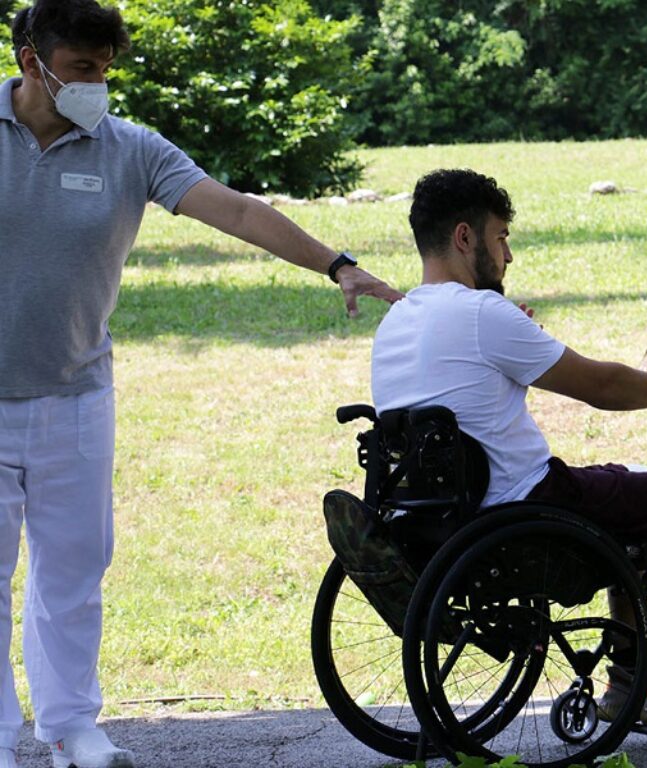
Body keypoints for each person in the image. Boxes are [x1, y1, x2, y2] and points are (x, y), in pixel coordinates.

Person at [0, 2, 402, 767]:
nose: (97, 86)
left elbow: (241, 213)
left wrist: (337, 264)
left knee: (75, 567)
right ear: (31, 62)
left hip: (77, 396)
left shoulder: (128, 149)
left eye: (105, 71)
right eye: (82, 70)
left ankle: (72, 728)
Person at [371, 168, 647, 731]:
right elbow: (601, 386)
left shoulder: (397, 322)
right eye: (500, 237)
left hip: (442, 526)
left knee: (627, 481)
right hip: (527, 511)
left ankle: (630, 676)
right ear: (465, 238)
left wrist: (512, 335)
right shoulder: (482, 314)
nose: (508, 255)